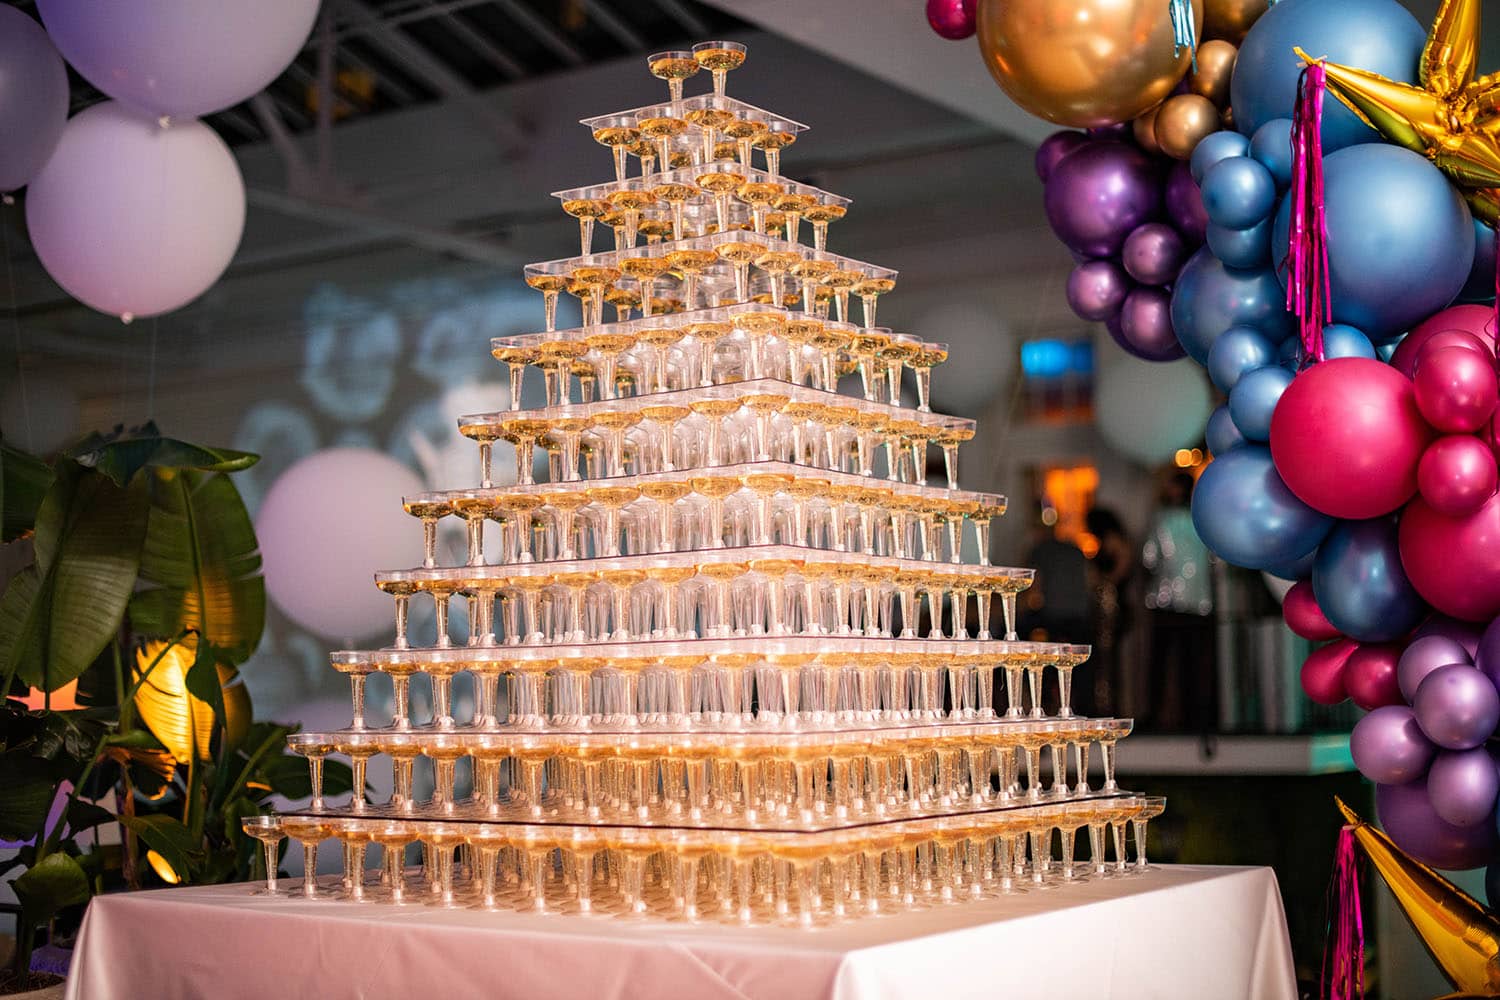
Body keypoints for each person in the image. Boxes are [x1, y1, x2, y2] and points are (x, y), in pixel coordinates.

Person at [1141, 472, 1217, 733]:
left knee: (1160, 662)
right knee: (1193, 662)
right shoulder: (1203, 521)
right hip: (1199, 602)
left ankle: (1155, 716)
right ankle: (1194, 718)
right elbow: (1214, 560)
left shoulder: (1162, 518)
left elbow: (1149, 557)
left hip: (1167, 600)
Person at [1084, 507, 1134, 717]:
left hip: (1113, 607)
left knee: (1111, 660)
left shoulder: (1119, 546)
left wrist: (1101, 582)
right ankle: (1104, 704)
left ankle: (1113, 707)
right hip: (1102, 608)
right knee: (1103, 660)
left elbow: (1118, 575)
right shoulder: (1107, 545)